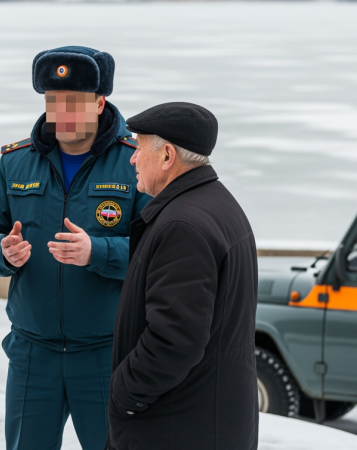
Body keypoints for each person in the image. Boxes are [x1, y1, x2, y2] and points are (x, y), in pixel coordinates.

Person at [0, 46, 151, 450]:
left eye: (74, 103)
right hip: (32, 354)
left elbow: (158, 252)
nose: (62, 114)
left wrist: (97, 252)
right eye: (53, 102)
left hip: (107, 353)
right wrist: (2, 252)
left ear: (100, 103)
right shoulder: (15, 162)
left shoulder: (135, 162)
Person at [106, 102, 259, 450]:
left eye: (139, 147)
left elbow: (174, 340)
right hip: (208, 419)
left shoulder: (182, 226)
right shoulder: (218, 204)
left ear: (167, 156)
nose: (132, 158)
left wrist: (123, 395)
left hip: (177, 427)